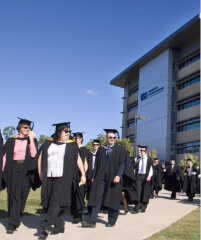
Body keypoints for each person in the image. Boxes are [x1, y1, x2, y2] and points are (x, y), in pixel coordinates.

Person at [37, 123, 86, 240]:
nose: (69, 133)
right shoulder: (48, 143)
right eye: (66, 131)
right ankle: (59, 226)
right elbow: (40, 157)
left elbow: (78, 158)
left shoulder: (71, 145)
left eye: (69, 131)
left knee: (55, 200)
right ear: (59, 132)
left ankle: (46, 226)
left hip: (63, 177)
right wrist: (40, 173)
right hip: (49, 175)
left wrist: (83, 174)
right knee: (51, 201)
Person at [81, 129, 126, 228]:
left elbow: (122, 164)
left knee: (112, 199)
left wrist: (118, 175)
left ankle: (112, 220)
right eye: (110, 137)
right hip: (101, 177)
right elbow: (96, 165)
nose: (112, 139)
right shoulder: (101, 149)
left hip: (113, 178)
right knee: (97, 197)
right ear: (106, 138)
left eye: (114, 137)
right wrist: (93, 177)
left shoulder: (120, 149)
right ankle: (92, 221)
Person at [2, 118, 38, 234]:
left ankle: (17, 214)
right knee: (14, 194)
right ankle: (12, 223)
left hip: (25, 169)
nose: (27, 130)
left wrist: (31, 140)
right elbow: (5, 156)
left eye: (28, 128)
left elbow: (34, 155)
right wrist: (2, 170)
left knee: (22, 193)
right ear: (19, 128)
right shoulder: (11, 140)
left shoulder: (31, 140)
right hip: (12, 168)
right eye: (25, 128)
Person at [71, 132, 89, 224]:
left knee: (79, 195)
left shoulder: (83, 150)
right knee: (73, 195)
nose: (75, 140)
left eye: (77, 138)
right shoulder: (72, 149)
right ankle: (73, 213)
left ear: (81, 139)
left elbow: (85, 163)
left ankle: (78, 215)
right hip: (72, 175)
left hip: (80, 176)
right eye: (74, 138)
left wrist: (83, 175)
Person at [132, 146, 153, 214]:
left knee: (145, 192)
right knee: (138, 192)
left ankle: (144, 207)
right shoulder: (138, 159)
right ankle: (137, 207)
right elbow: (134, 168)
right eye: (141, 151)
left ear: (146, 151)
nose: (142, 152)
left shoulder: (149, 159)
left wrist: (149, 176)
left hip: (146, 177)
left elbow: (150, 168)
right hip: (138, 177)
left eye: (143, 151)